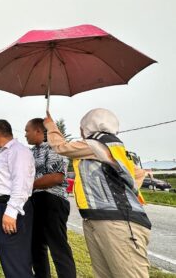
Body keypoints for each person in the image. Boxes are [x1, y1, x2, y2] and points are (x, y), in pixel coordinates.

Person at [44, 108, 151, 278]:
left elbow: (62, 147)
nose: (80, 131)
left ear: (91, 125)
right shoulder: (116, 148)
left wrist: (50, 126)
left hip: (117, 221)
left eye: (82, 126)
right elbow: (136, 174)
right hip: (101, 218)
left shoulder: (98, 143)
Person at [25, 118, 76, 278]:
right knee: (36, 246)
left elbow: (56, 177)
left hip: (52, 200)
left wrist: (28, 185)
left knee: (58, 247)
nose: (25, 134)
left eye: (27, 131)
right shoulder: (32, 152)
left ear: (39, 131)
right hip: (35, 202)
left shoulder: (54, 148)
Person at [0, 120, 35, 278]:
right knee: (9, 256)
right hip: (1, 206)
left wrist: (11, 211)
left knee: (15, 260)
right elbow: (5, 181)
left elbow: (22, 183)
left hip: (12, 208)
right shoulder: (5, 152)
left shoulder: (18, 151)